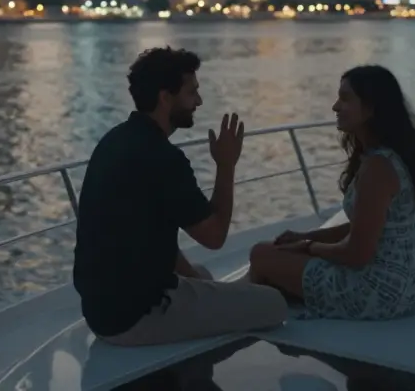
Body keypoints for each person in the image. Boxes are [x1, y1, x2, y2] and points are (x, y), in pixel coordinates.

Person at [72, 46, 288, 346]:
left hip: (100, 312)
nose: (198, 100)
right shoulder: (162, 157)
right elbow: (214, 237)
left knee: (199, 273)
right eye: (192, 92)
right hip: (138, 317)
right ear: (165, 97)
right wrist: (226, 166)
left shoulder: (115, 141)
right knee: (274, 303)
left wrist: (197, 283)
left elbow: (146, 233)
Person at [247, 64, 415, 320]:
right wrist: (306, 236)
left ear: (370, 109)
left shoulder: (378, 168)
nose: (335, 106)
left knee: (261, 254)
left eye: (345, 98)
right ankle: (247, 301)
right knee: (274, 255)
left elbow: (357, 254)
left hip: (377, 293)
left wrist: (309, 246)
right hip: (405, 289)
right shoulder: (390, 157)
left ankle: (233, 305)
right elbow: (363, 228)